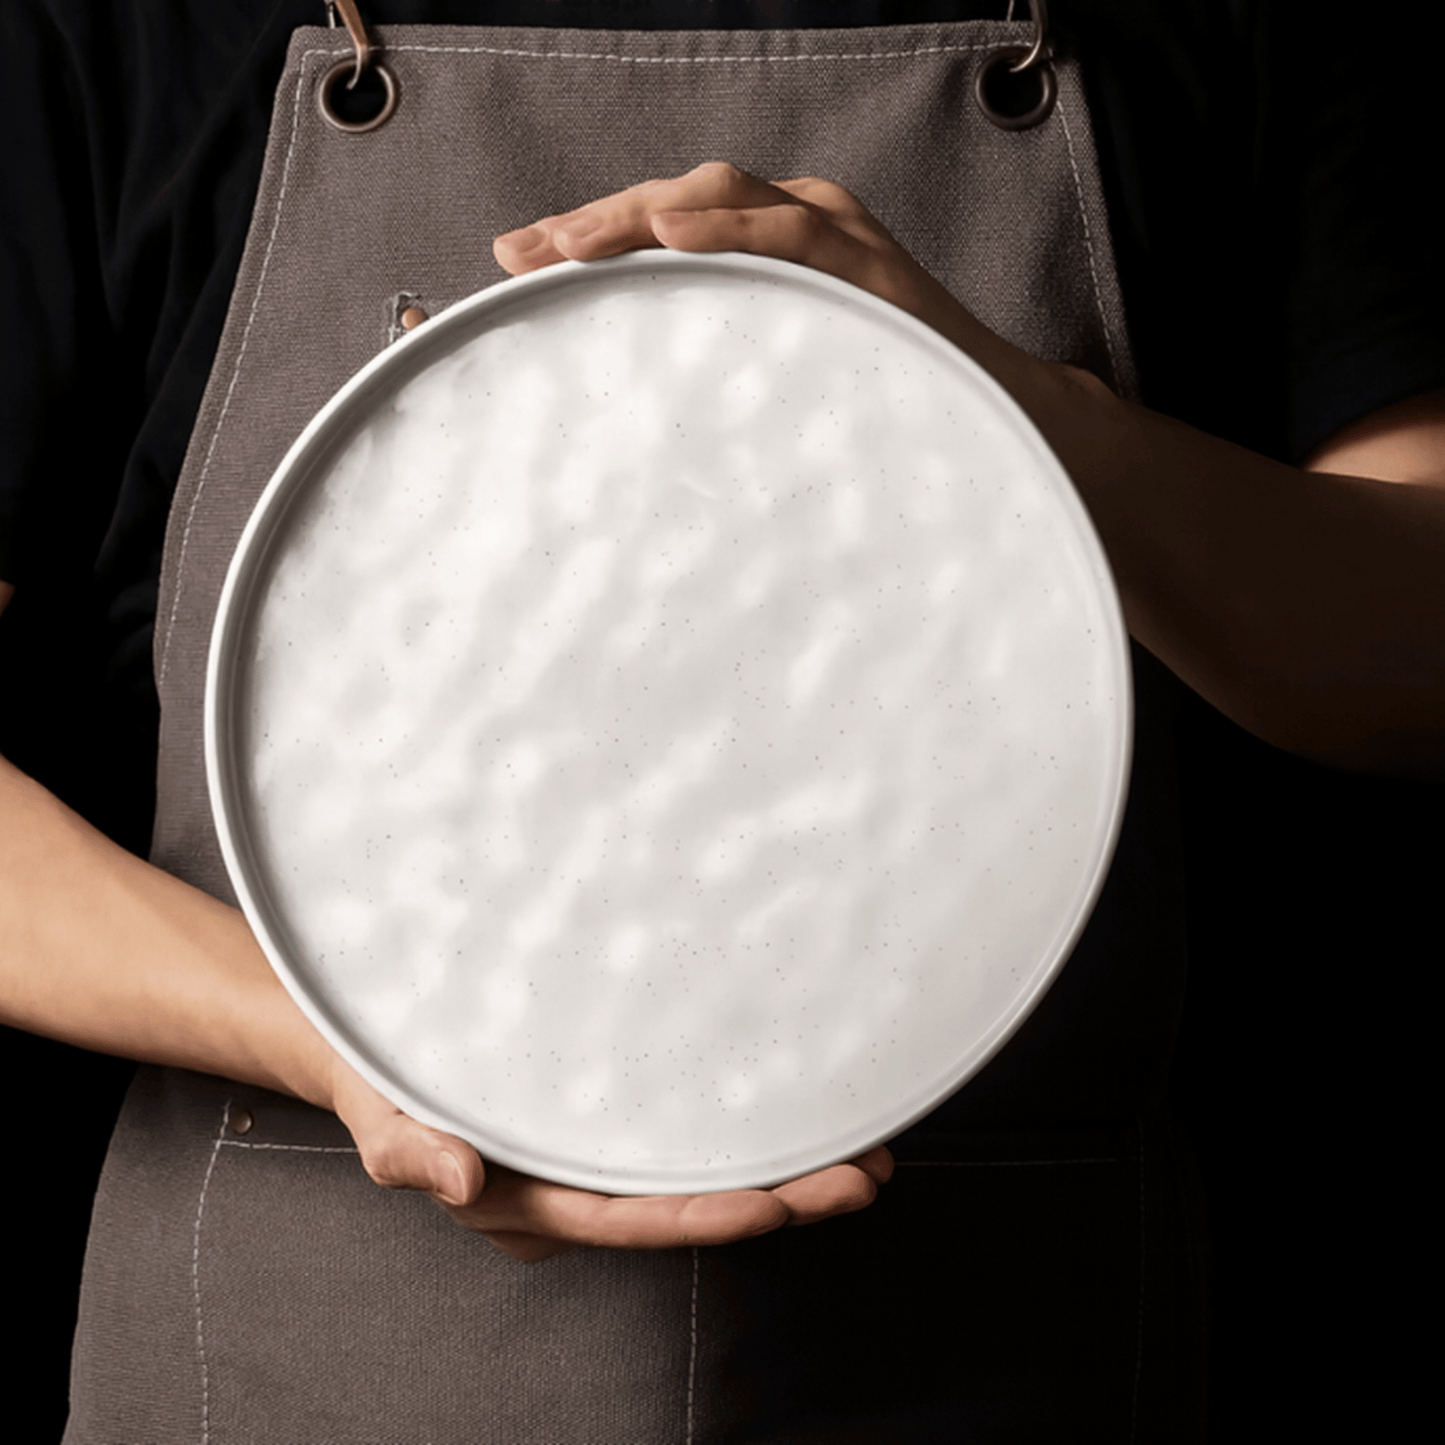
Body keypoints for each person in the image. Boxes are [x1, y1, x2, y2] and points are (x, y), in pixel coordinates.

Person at [2, 1, 1441, 1439]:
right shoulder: (125, 34)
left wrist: (1019, 411)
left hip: (1005, 1331)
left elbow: (1412, 665)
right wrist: (345, 1042)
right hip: (300, 1345)